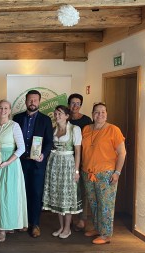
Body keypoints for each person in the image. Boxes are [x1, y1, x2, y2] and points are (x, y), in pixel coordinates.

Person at [81, 102, 126, 244]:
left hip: (106, 174)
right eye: (96, 112)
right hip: (88, 173)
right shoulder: (86, 129)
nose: (100, 114)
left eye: (103, 112)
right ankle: (97, 228)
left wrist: (117, 172)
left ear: (106, 114)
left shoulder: (114, 130)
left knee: (106, 204)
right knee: (94, 204)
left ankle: (106, 235)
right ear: (92, 114)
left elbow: (122, 153)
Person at [12, 90, 53, 238]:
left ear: (39, 102)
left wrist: (43, 154)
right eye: (30, 100)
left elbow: (49, 142)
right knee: (21, 192)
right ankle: (23, 222)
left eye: (35, 100)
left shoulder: (45, 120)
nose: (32, 102)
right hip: (20, 162)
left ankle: (35, 224)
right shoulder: (17, 118)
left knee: (36, 193)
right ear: (25, 101)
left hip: (37, 164)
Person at [0, 100, 28, 242]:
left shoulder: (14, 126)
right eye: (1, 107)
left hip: (10, 164)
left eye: (6, 108)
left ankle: (4, 228)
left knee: (7, 195)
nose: (3, 110)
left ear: (10, 111)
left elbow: (21, 148)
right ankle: (0, 224)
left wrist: (7, 162)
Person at [42, 105, 82, 239]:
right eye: (56, 113)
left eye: (60, 113)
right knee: (57, 195)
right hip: (54, 163)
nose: (57, 115)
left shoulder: (74, 129)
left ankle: (67, 228)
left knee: (67, 196)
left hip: (68, 164)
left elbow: (77, 152)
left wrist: (76, 170)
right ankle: (61, 226)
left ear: (67, 116)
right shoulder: (54, 130)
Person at [67, 93, 93, 232]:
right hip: (66, 160)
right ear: (68, 105)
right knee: (70, 191)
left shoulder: (87, 120)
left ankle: (82, 219)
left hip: (83, 159)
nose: (75, 106)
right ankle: (69, 218)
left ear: (81, 105)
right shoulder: (64, 119)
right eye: (72, 103)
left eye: (78, 103)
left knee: (82, 190)